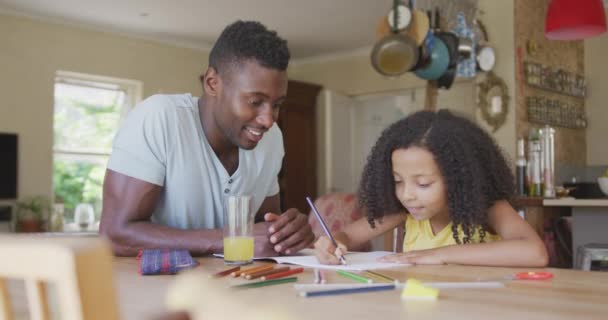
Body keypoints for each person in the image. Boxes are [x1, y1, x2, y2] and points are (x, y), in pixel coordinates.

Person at [100, 20, 314, 257]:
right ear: (213, 83)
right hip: (157, 289)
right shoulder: (159, 118)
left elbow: (263, 231)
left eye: (277, 104)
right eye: (255, 102)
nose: (268, 120)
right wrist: (227, 240)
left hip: (235, 289)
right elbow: (113, 234)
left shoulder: (272, 139)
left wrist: (287, 234)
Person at [314, 110, 548, 267]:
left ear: (458, 179)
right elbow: (349, 235)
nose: (407, 194)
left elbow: (535, 252)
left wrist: (439, 254)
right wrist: (333, 243)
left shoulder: (486, 207)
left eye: (423, 183)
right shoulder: (403, 210)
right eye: (397, 180)